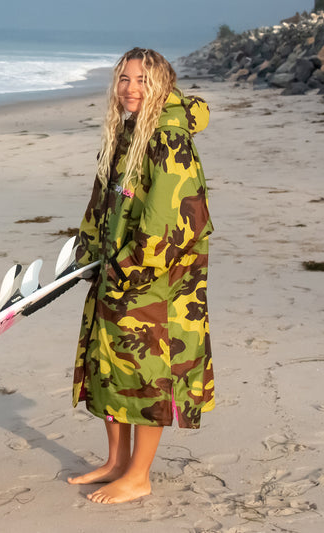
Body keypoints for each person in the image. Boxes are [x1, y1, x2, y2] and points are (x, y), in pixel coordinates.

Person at [66, 48, 215, 504]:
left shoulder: (168, 138)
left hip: (155, 281)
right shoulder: (125, 132)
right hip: (116, 269)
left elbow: (169, 220)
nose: (131, 88)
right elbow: (101, 203)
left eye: (142, 81)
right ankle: (116, 463)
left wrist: (126, 265)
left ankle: (139, 475)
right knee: (108, 367)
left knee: (147, 374)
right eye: (125, 79)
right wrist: (88, 253)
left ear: (163, 85)